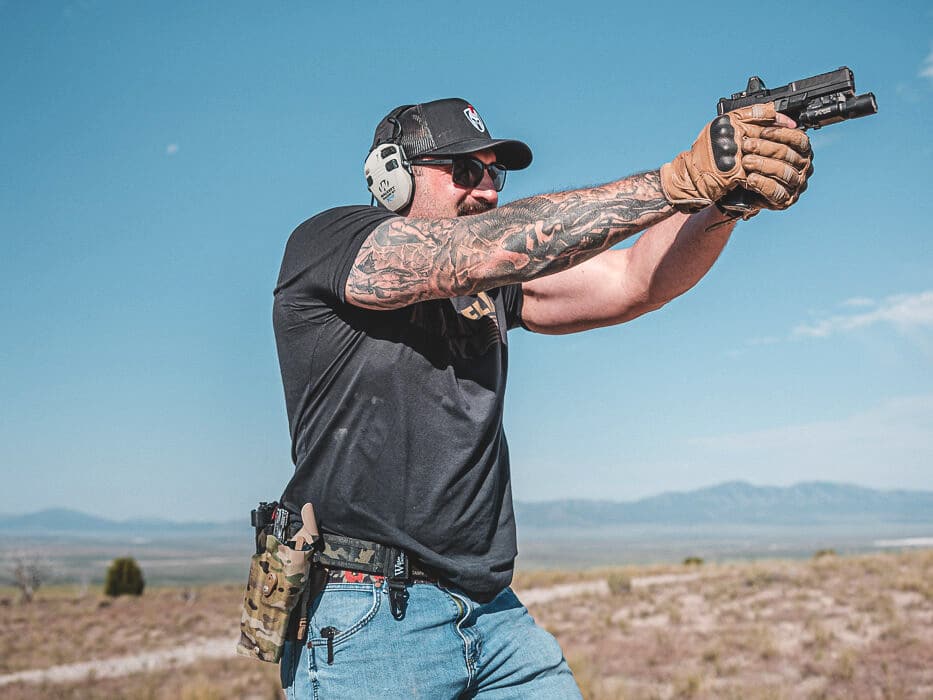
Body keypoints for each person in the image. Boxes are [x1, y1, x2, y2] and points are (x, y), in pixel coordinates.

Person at [272, 97, 812, 697]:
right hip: (368, 617)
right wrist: (676, 182)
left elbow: (632, 282)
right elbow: (464, 255)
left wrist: (721, 204)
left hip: (492, 610)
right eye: (465, 171)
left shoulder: (494, 288)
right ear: (392, 174)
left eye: (494, 174)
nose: (487, 191)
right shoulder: (330, 244)